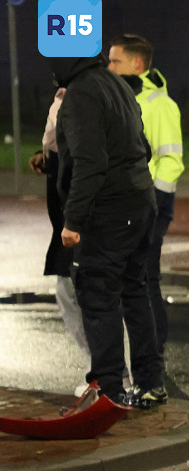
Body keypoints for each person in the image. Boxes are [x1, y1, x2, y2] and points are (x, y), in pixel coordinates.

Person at [50, 55, 166, 409]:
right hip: (140, 202)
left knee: (98, 296)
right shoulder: (115, 83)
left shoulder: (81, 94)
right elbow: (141, 148)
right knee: (134, 291)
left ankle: (109, 392)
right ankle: (150, 384)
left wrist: (73, 221)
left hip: (110, 211)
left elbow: (91, 162)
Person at [107, 33, 184, 356]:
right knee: (131, 280)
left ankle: (153, 349)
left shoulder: (160, 105)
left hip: (148, 204)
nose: (109, 67)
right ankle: (142, 350)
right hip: (125, 205)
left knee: (144, 278)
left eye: (115, 61)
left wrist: (155, 203)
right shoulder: (124, 98)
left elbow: (170, 160)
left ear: (136, 64)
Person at [29, 89, 91, 385]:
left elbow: (85, 166)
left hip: (79, 222)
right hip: (67, 220)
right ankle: (105, 374)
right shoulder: (64, 93)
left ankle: (112, 377)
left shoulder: (87, 93)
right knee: (70, 294)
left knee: (87, 297)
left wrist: (74, 221)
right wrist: (47, 158)